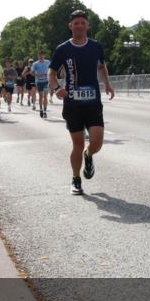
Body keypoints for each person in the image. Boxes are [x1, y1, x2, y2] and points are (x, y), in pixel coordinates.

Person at [51, 10, 116, 196]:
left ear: (87, 26)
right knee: (77, 144)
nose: (79, 25)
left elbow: (102, 66)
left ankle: (89, 155)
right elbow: (51, 72)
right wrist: (57, 88)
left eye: (82, 22)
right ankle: (76, 180)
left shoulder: (96, 46)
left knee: (97, 142)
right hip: (72, 104)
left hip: (93, 101)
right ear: (70, 26)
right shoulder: (62, 49)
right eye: (76, 23)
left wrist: (108, 84)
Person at [32, 51, 51, 118]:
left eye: (42, 56)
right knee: (41, 96)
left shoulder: (48, 62)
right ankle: (41, 109)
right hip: (39, 82)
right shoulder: (35, 64)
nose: (41, 57)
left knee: (45, 96)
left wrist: (49, 75)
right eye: (40, 56)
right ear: (38, 56)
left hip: (46, 81)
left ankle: (45, 111)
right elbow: (32, 72)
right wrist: (36, 74)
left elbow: (51, 69)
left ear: (44, 56)